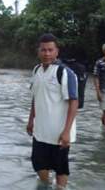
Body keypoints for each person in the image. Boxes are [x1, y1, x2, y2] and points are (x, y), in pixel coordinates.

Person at [26, 33, 78, 189]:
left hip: (59, 133)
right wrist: (30, 121)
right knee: (38, 164)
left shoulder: (64, 73)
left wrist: (67, 131)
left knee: (61, 168)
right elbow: (35, 97)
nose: (46, 53)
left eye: (50, 50)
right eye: (43, 50)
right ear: (38, 51)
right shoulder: (36, 71)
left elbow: (74, 102)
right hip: (40, 131)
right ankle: (46, 186)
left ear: (57, 51)